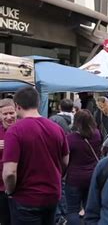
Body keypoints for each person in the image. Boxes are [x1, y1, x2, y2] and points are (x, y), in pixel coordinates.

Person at [2, 87, 69, 224]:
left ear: (17, 106)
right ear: (38, 104)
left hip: (26, 198)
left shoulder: (15, 131)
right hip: (52, 195)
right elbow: (65, 161)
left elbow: (9, 172)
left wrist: (10, 191)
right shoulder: (56, 128)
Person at [65, 110, 101, 224]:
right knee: (90, 208)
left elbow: (65, 158)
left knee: (72, 210)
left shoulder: (71, 139)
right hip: (92, 175)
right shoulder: (97, 134)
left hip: (74, 177)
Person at [0, 98, 17, 225]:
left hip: (20, 186)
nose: (9, 117)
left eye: (11, 113)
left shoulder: (23, 129)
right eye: (5, 114)